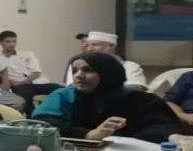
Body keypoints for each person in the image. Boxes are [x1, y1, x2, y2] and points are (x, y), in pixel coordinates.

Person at [33, 53, 180, 142]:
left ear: (108, 73)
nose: (78, 75)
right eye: (75, 70)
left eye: (88, 70)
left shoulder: (140, 100)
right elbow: (41, 125)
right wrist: (89, 134)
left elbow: (165, 129)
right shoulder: (64, 95)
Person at [0, 30, 61, 114]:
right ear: (0, 42)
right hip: (20, 87)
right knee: (24, 99)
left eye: (14, 41)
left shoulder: (28, 54)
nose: (12, 44)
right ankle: (32, 117)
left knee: (61, 89)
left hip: (38, 83)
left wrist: (22, 82)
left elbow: (37, 72)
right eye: (8, 41)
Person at [64, 31, 147, 90]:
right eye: (88, 45)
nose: (90, 49)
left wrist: (101, 89)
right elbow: (71, 87)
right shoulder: (77, 66)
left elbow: (138, 87)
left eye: (95, 45)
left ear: (111, 46)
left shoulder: (129, 66)